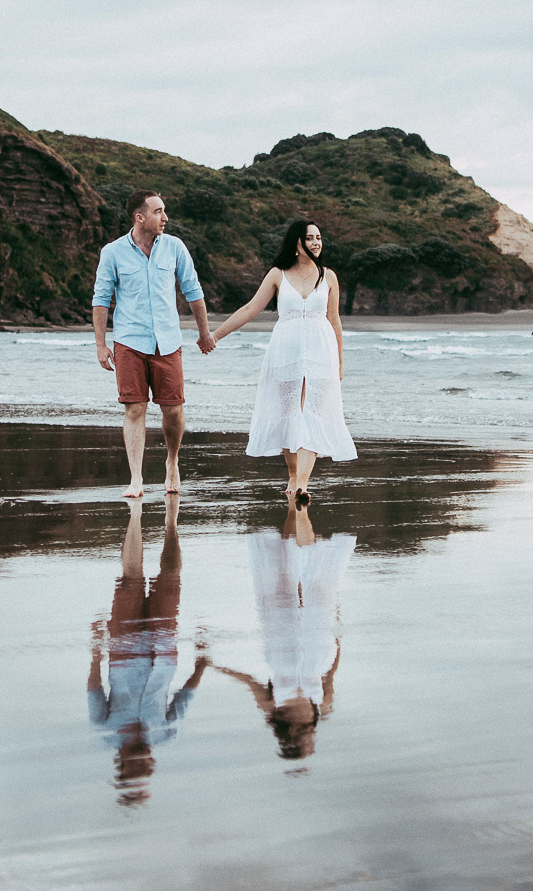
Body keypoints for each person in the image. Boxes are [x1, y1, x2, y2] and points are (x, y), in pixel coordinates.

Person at [208, 219, 356, 502]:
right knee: (289, 412)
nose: (316, 243)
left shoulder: (329, 277)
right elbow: (251, 308)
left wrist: (339, 362)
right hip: (285, 353)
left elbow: (334, 322)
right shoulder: (278, 274)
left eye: (319, 237)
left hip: (320, 354)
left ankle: (302, 484)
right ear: (297, 243)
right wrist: (216, 335)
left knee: (311, 413)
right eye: (310, 238)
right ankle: (292, 474)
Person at [87, 496, 209, 806]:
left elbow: (94, 689)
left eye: (138, 771)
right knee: (171, 581)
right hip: (163, 650)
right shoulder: (165, 734)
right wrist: (201, 665)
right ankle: (171, 524)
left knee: (130, 581)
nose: (147, 766)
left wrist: (97, 648)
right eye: (148, 773)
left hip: (125, 649)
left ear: (123, 768)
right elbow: (183, 700)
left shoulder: (105, 732)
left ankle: (136, 515)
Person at [93, 189, 215, 498]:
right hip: (129, 341)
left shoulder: (174, 247)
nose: (165, 217)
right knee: (134, 408)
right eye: (159, 211)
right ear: (140, 217)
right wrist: (100, 344)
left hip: (168, 341)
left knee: (173, 411)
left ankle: (172, 461)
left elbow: (193, 292)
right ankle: (136, 479)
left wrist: (204, 333)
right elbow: (101, 299)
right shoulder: (112, 252)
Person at [212, 500, 354, 761]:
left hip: (280, 638)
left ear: (292, 740)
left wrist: (215, 665)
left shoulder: (273, 709)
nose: (312, 743)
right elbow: (332, 674)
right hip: (319, 642)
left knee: (280, 578)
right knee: (318, 581)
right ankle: (300, 512)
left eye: (307, 746)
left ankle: (294, 511)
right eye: (311, 745)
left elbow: (250, 681)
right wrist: (337, 632)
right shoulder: (321, 709)